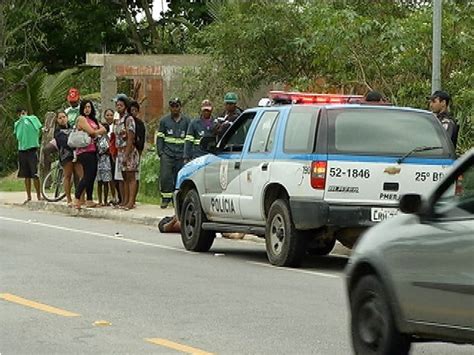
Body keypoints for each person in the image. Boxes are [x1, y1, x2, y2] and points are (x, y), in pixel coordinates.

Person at [156, 98, 190, 209]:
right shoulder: (164, 121)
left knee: (179, 177)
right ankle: (165, 199)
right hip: (167, 154)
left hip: (181, 154)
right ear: (170, 108)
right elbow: (160, 137)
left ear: (180, 107)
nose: (175, 108)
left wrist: (187, 154)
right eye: (172, 106)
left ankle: (178, 201)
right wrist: (160, 152)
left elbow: (189, 139)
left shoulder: (187, 121)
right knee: (165, 177)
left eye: (177, 106)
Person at [73, 100, 106, 208]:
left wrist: (95, 132)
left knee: (92, 175)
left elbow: (104, 129)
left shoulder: (93, 120)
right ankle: (77, 197)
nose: (87, 109)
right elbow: (91, 132)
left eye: (89, 107)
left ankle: (89, 199)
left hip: (93, 150)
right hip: (84, 151)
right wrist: (95, 132)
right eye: (85, 107)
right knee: (87, 175)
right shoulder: (81, 119)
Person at [13, 107, 42, 203]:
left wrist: (26, 118)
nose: (22, 115)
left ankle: (39, 195)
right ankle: (29, 196)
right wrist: (21, 121)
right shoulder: (17, 124)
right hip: (22, 151)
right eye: (20, 114)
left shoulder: (33, 119)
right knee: (26, 175)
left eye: (23, 113)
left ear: (26, 112)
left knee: (35, 174)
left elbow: (38, 126)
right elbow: (18, 135)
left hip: (32, 150)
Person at [54, 110, 81, 206]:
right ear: (57, 120)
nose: (62, 119)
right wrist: (73, 143)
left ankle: (80, 198)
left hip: (77, 154)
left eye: (64, 117)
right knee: (68, 176)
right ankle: (69, 199)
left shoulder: (73, 128)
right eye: (60, 118)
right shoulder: (57, 132)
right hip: (66, 155)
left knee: (80, 175)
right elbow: (64, 142)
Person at [120, 102, 141, 210]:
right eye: (117, 105)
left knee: (131, 176)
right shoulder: (120, 120)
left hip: (130, 151)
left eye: (121, 105)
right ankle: (125, 200)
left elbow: (130, 137)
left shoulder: (129, 120)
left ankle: (131, 202)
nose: (118, 107)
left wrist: (126, 155)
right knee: (125, 177)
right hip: (121, 151)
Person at [130, 100, 146, 206]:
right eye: (131, 110)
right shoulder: (126, 121)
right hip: (127, 151)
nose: (133, 112)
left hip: (136, 151)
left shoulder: (140, 124)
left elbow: (142, 140)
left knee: (136, 176)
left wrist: (139, 152)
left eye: (135, 110)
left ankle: (133, 199)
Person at [96, 120, 113, 207]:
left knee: (106, 182)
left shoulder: (108, 139)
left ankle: (105, 200)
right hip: (98, 161)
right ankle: (100, 200)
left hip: (106, 162)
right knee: (99, 182)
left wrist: (106, 152)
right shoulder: (97, 138)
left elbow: (109, 150)